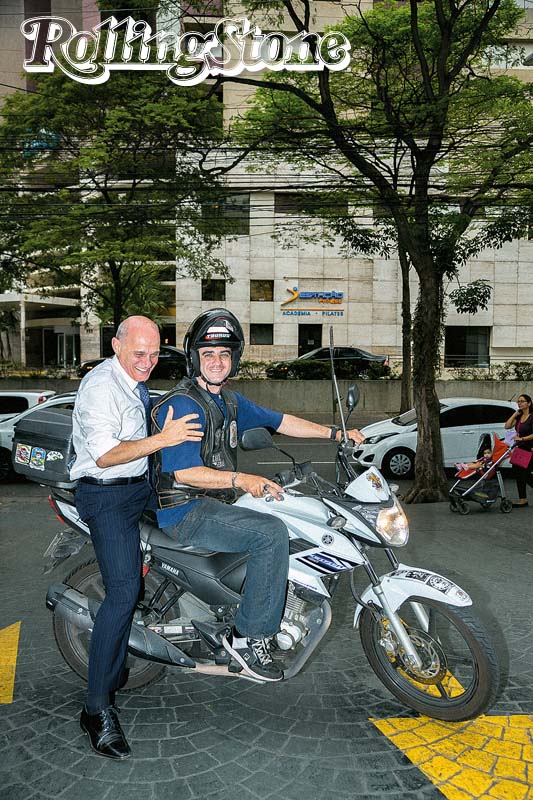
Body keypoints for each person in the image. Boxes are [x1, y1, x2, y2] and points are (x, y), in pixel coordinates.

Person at [152, 308, 365, 683]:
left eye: (224, 354)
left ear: (234, 359)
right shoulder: (183, 403)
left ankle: (253, 602)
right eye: (208, 354)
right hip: (185, 509)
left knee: (284, 514)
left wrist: (335, 434)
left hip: (215, 504)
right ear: (195, 359)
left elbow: (280, 421)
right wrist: (243, 479)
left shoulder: (229, 401)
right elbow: (183, 472)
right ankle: (248, 638)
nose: (217, 361)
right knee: (270, 533)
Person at [71, 315, 204, 760]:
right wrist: (163, 439)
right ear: (116, 345)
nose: (147, 363)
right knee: (125, 589)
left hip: (138, 487)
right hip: (105, 495)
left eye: (153, 354)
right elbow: (107, 455)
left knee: (194, 527)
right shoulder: (100, 387)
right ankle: (96, 708)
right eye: (138, 354)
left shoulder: (133, 379)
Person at [504, 393, 533, 508]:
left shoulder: (532, 416)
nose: (519, 403)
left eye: (522, 401)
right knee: (517, 472)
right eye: (518, 401)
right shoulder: (519, 417)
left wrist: (522, 438)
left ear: (529, 403)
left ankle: (523, 499)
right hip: (520, 448)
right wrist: (515, 413)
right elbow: (507, 426)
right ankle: (523, 499)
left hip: (530, 448)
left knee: (525, 474)